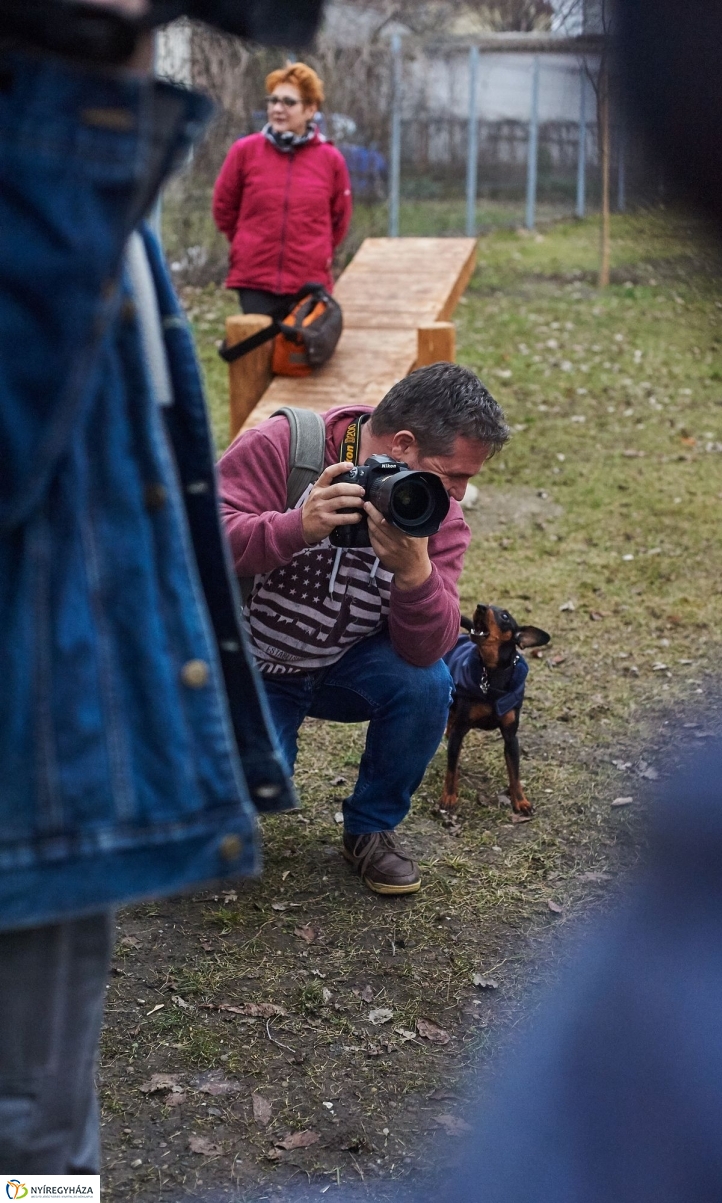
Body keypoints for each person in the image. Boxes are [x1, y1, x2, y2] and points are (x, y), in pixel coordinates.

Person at [0, 0, 318, 1175]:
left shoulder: (96, 202)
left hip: (55, 773)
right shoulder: (56, 169)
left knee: (39, 1129)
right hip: (29, 784)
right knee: (31, 1136)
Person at [218, 362, 509, 896]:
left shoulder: (437, 515)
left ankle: (371, 829)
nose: (461, 495)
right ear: (402, 444)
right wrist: (294, 527)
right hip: (251, 662)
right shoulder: (288, 448)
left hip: (344, 665)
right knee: (250, 788)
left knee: (428, 683)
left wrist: (415, 574)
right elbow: (192, 537)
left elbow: (428, 649)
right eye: (455, 475)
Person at [212, 61, 352, 322]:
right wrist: (248, 241)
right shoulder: (245, 152)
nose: (277, 109)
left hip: (307, 281)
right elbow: (224, 207)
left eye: (289, 102)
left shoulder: (330, 160)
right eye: (273, 101)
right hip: (255, 278)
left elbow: (339, 220)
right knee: (257, 358)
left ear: (310, 109)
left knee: (298, 360)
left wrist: (314, 250)